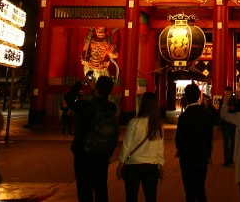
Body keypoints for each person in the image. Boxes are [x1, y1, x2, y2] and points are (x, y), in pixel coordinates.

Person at [65, 74, 118, 202]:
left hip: (84, 156)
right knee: (101, 189)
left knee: (85, 190)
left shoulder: (87, 107)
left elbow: (69, 98)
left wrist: (81, 84)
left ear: (97, 89)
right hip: (103, 156)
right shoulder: (112, 108)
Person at [115, 91, 165, 202]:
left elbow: (126, 146)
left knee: (131, 197)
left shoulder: (134, 122)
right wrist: (160, 164)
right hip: (152, 165)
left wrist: (120, 164)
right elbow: (160, 148)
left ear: (143, 104)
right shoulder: (158, 126)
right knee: (151, 198)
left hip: (134, 165)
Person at [175, 83, 214, 202]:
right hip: (202, 156)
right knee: (200, 188)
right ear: (198, 96)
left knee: (189, 190)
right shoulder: (206, 115)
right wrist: (208, 154)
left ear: (186, 97)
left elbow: (179, 139)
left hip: (187, 158)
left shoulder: (183, 117)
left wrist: (180, 151)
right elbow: (209, 137)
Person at [221, 86, 237, 166]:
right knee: (226, 143)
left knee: (233, 143)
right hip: (225, 125)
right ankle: (227, 160)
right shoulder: (222, 101)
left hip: (233, 125)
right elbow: (221, 113)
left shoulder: (234, 101)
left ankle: (231, 159)